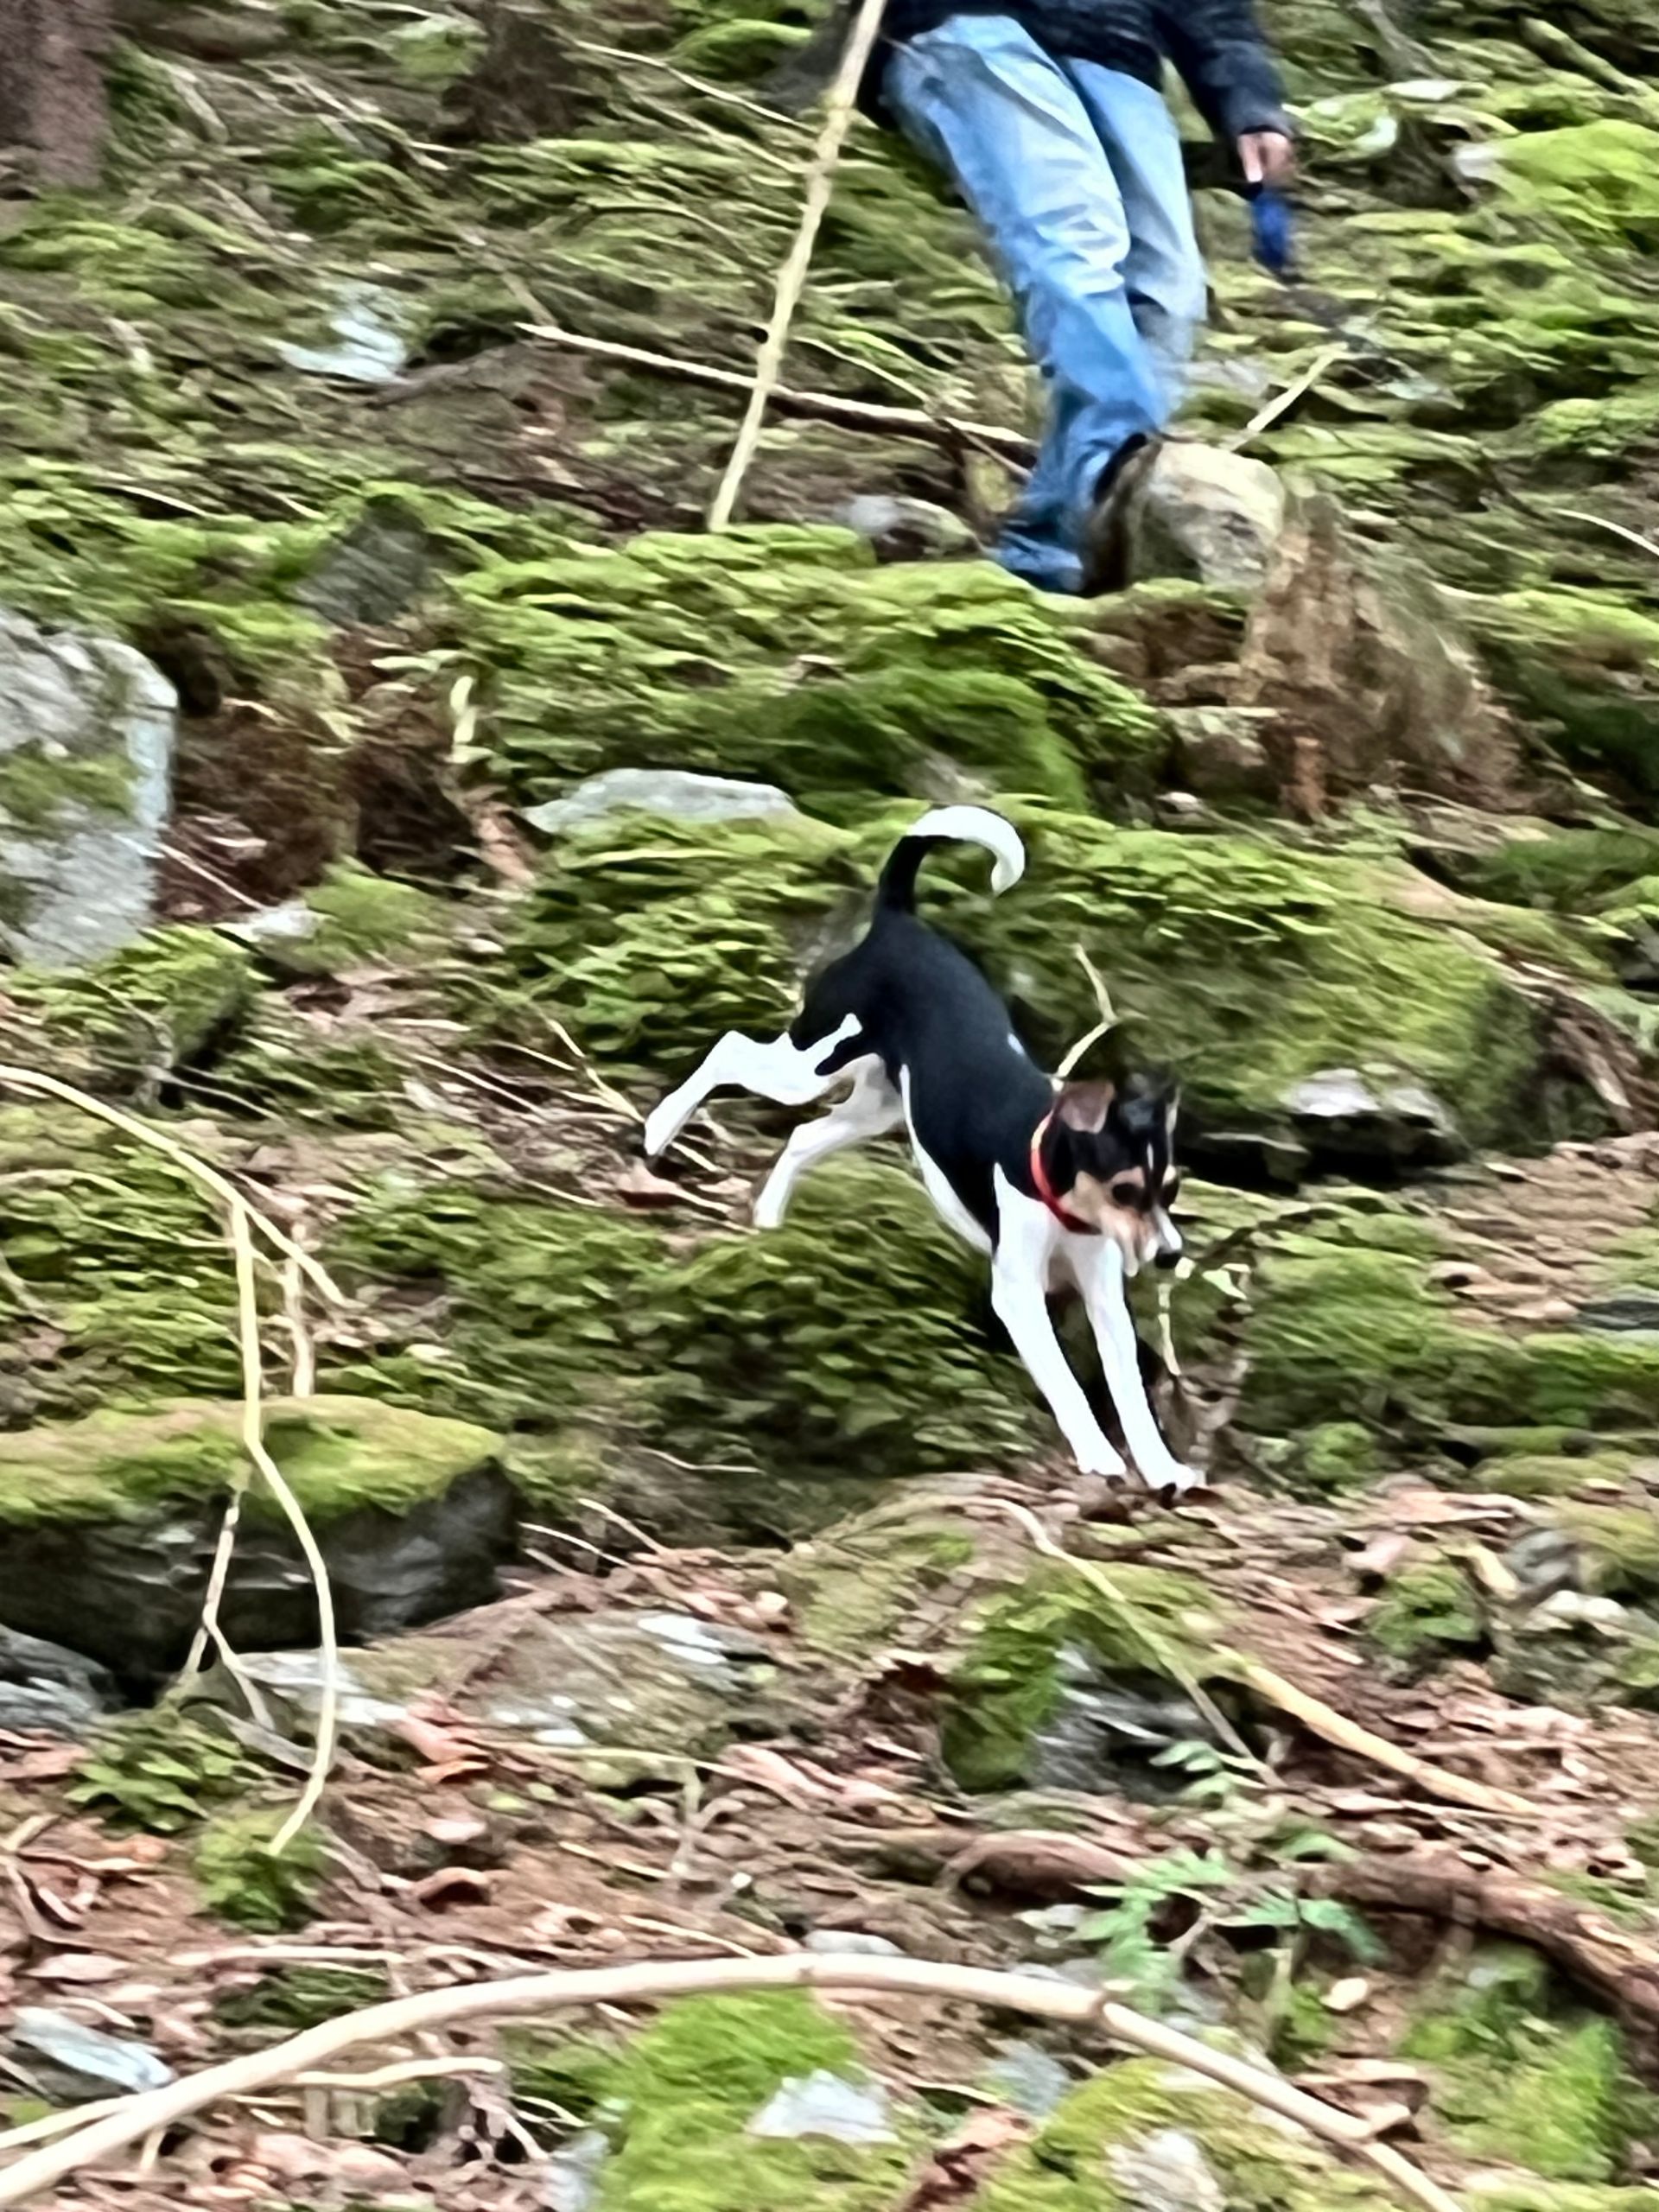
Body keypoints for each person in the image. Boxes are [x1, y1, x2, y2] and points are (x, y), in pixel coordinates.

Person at [864, 0, 1294, 594]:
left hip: (1118, 49)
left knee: (1167, 292)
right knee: (1073, 241)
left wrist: (1249, 100)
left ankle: (1065, 537)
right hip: (972, 22)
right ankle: (1106, 492)